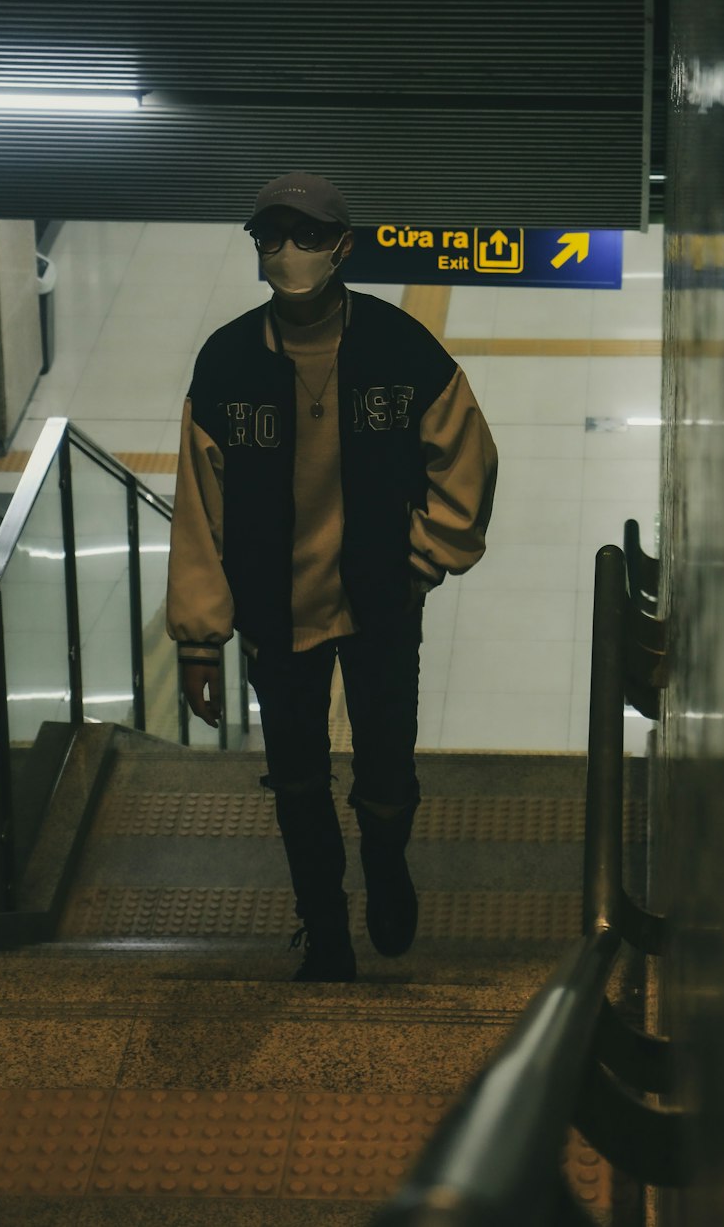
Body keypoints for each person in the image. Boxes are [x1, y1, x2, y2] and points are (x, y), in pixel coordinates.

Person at [166, 171, 497, 981]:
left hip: (380, 604)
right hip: (277, 616)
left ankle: (386, 867)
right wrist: (200, 640)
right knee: (297, 780)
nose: (288, 254)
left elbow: (468, 460)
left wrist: (423, 562)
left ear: (343, 248)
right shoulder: (229, 363)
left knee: (387, 767)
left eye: (307, 238)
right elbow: (198, 508)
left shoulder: (400, 349)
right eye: (271, 239)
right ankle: (325, 928)